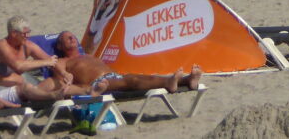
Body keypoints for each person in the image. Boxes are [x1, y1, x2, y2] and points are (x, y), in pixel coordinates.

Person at [54, 31, 201, 95]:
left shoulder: (87, 55)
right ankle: (169, 82)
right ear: (60, 46)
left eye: (72, 36)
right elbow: (60, 74)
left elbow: (94, 38)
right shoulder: (63, 61)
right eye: (66, 38)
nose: (72, 38)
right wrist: (68, 77)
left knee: (138, 77)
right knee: (133, 80)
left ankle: (187, 80)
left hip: (114, 77)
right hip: (98, 84)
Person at [0, 16, 72, 103]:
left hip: (18, 85)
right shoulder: (1, 46)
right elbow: (18, 66)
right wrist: (45, 62)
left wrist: (64, 73)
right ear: (13, 33)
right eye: (24, 33)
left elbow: (50, 60)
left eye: (28, 32)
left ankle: (64, 97)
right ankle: (52, 96)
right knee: (26, 88)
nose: (28, 36)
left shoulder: (27, 45)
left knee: (52, 83)